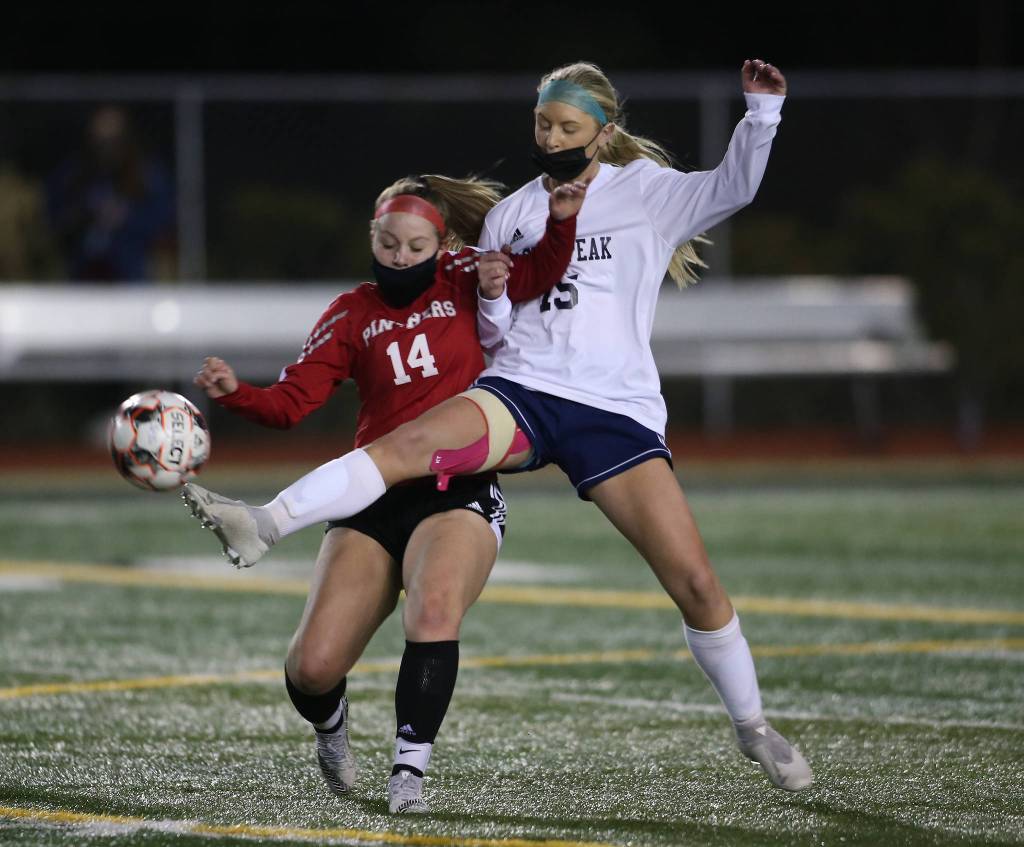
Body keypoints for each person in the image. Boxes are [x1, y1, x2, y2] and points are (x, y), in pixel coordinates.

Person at [184, 59, 813, 794]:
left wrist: (761, 114)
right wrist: (480, 293)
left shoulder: (648, 193)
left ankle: (752, 725)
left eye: (567, 127)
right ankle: (265, 521)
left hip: (614, 412)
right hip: (521, 390)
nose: (550, 136)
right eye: (542, 123)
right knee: (405, 445)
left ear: (602, 133)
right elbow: (498, 318)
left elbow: (735, 185)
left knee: (695, 580)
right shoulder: (514, 213)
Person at [186, 173, 586, 813]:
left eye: (416, 247)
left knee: (432, 613)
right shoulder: (350, 313)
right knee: (313, 667)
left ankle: (409, 772)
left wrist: (561, 223)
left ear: (442, 243)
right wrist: (238, 394)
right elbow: (291, 404)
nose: (401, 258)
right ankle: (331, 724)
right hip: (371, 500)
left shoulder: (464, 276)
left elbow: (536, 274)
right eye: (388, 244)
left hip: (456, 490)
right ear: (372, 236)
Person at [46, 105, 173, 282]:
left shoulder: (146, 176)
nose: (106, 148)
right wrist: (85, 215)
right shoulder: (74, 175)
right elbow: (55, 219)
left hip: (131, 273)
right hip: (82, 273)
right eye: (100, 141)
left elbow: (163, 220)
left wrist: (126, 218)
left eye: (113, 141)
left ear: (126, 140)